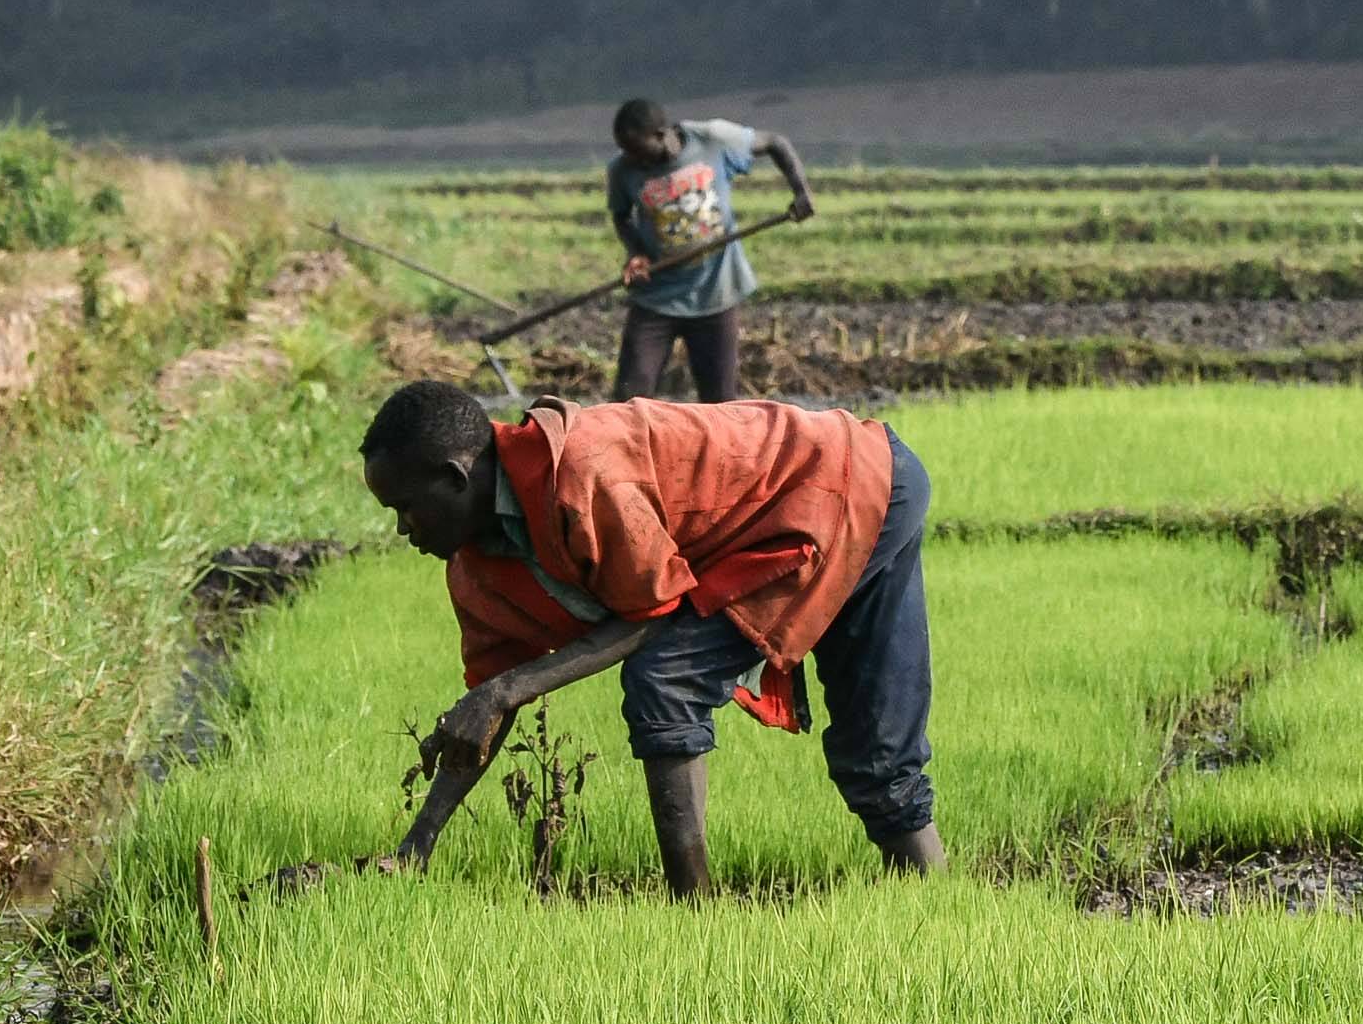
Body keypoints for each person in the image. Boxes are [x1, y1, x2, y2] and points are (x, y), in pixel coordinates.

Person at [358, 375, 943, 891]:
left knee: (667, 678)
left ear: (456, 477)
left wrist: (505, 691)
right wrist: (416, 847)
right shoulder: (478, 569)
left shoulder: (583, 473)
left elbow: (652, 611)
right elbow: (488, 708)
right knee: (874, 748)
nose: (404, 529)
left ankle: (694, 909)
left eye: (406, 508)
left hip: (837, 481)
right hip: (833, 489)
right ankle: (934, 897)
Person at [602, 97, 816, 399]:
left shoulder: (713, 138)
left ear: (662, 134)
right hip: (657, 297)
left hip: (716, 291)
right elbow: (621, 217)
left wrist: (801, 191)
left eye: (638, 150)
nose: (633, 159)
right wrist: (636, 253)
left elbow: (775, 142)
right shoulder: (622, 169)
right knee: (628, 397)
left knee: (720, 403)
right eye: (626, 151)